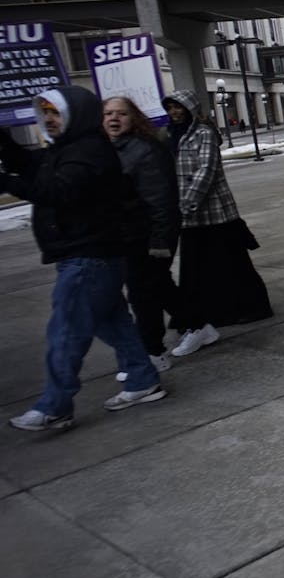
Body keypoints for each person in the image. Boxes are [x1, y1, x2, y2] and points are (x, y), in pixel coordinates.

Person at [4, 87, 166, 430]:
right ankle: (141, 379)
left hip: (88, 256)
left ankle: (55, 405)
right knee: (115, 325)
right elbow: (30, 166)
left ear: (75, 114)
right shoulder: (66, 149)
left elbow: (56, 191)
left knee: (65, 331)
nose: (48, 120)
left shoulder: (87, 152)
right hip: (91, 255)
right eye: (44, 113)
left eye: (55, 113)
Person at [163, 90, 272, 355]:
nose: (175, 112)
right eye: (171, 108)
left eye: (179, 107)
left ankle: (251, 308)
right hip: (190, 217)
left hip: (214, 212)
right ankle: (203, 315)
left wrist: (187, 203)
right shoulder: (171, 135)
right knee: (196, 268)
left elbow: (207, 170)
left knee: (232, 263)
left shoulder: (203, 133)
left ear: (190, 108)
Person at [103, 96, 180, 378]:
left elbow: (162, 201)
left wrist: (160, 241)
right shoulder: (108, 150)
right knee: (161, 287)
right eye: (108, 113)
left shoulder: (145, 151)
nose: (113, 118)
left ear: (133, 117)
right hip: (123, 237)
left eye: (121, 113)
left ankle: (153, 352)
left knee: (142, 294)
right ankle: (197, 324)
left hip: (146, 237)